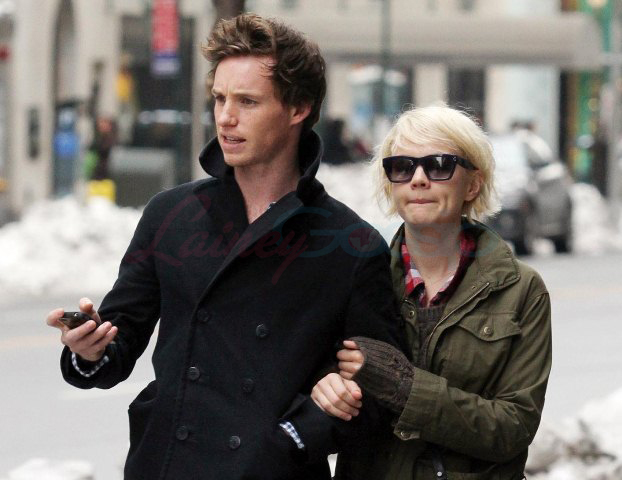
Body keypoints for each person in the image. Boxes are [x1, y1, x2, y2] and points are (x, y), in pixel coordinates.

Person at [46, 13, 400, 480]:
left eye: (247, 101)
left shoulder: (351, 244)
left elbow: (380, 391)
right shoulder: (171, 215)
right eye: (219, 98)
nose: (226, 117)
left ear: (298, 109)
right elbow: (119, 341)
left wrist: (295, 436)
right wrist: (90, 348)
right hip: (167, 465)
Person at [311, 105, 552, 480]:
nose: (418, 179)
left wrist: (405, 387)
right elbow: (313, 380)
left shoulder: (521, 290)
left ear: (472, 184)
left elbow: (514, 427)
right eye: (402, 167)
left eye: (439, 166)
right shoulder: (357, 276)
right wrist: (326, 387)